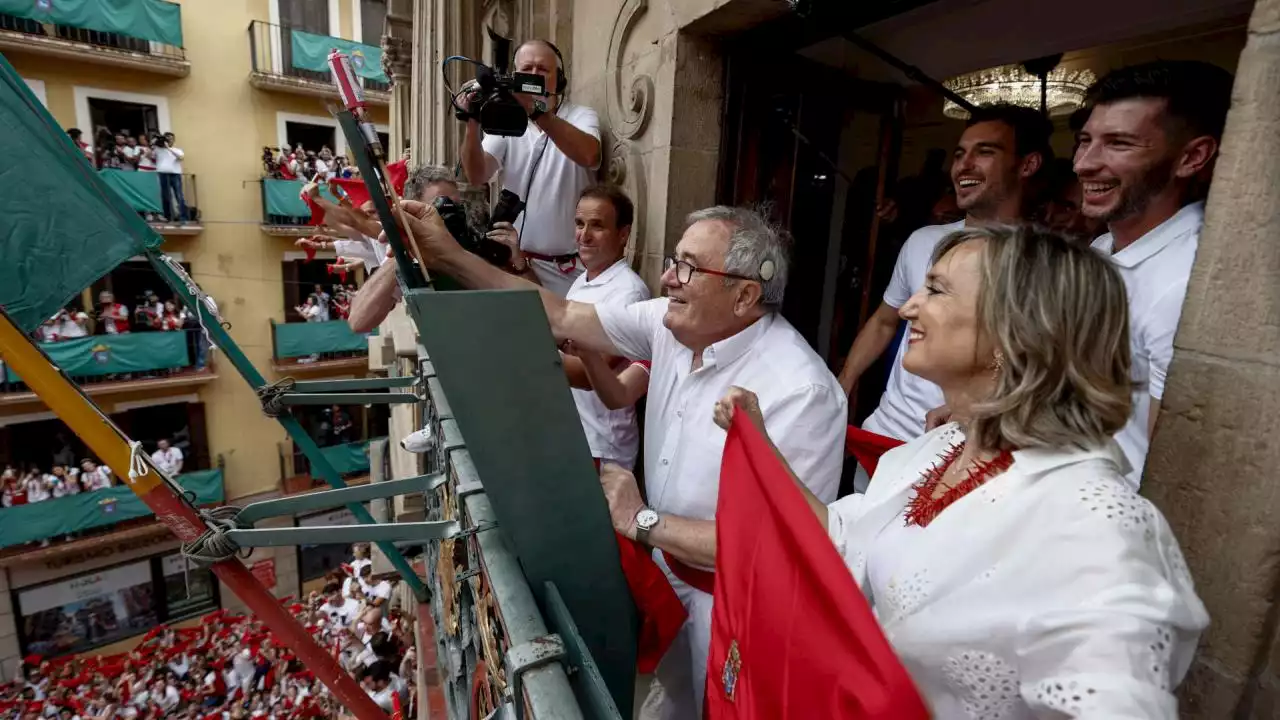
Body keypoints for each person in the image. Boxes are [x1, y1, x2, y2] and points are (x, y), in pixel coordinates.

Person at [716, 224, 1207, 715]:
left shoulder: (1095, 523)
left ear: (1016, 330)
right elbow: (841, 539)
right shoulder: (941, 447)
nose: (908, 308)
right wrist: (758, 443)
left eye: (935, 289)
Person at [394, 199, 846, 717]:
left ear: (745, 295)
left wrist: (641, 519)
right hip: (668, 578)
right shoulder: (670, 324)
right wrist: (448, 256)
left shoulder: (803, 392)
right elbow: (561, 314)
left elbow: (778, 548)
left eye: (689, 267)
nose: (668, 277)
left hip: (739, 614)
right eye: (675, 259)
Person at [836, 103, 1052, 462]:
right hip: (884, 435)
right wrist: (843, 383)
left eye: (985, 152)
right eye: (959, 154)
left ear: (1027, 164)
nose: (964, 165)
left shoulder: (1045, 264)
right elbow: (885, 320)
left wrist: (980, 412)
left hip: (962, 452)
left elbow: (1044, 371)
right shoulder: (923, 240)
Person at [1074, 60, 1232, 487]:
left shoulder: (1184, 284)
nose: (1084, 164)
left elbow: (1174, 469)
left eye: (1119, 144)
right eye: (1085, 140)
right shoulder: (1104, 248)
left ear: (1192, 157)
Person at [459, 39, 601, 295]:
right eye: (527, 69)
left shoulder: (581, 116)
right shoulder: (507, 121)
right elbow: (477, 174)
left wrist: (536, 112)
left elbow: (590, 155)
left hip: (571, 269)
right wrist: (471, 121)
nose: (534, 75)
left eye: (543, 70)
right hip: (517, 262)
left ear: (559, 80)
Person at [557, 186, 650, 469]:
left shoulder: (628, 293)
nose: (584, 235)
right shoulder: (582, 280)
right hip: (576, 436)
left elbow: (587, 374)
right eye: (579, 223)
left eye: (597, 226)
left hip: (601, 447)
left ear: (623, 234)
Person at [346, 164, 466, 334]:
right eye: (441, 207)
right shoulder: (413, 254)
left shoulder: (473, 238)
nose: (452, 215)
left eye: (456, 206)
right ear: (414, 211)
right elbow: (359, 321)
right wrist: (406, 251)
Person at [154, 132, 187, 223]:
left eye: (170, 138)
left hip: (175, 174)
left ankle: (183, 217)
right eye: (167, 138)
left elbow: (180, 157)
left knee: (179, 196)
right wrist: (154, 142)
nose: (168, 140)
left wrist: (168, 148)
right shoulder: (158, 149)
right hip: (163, 175)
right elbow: (150, 153)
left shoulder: (178, 150)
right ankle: (167, 217)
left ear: (173, 140)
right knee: (165, 196)